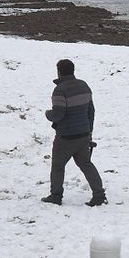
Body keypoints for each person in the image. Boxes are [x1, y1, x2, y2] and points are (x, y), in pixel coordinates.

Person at [42, 58, 107, 206]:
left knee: (58, 166)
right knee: (86, 164)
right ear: (73, 70)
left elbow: (58, 114)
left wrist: (48, 114)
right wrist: (89, 131)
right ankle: (99, 195)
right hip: (83, 134)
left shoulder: (60, 90)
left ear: (59, 72)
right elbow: (91, 111)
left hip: (66, 136)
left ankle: (56, 196)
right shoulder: (84, 86)